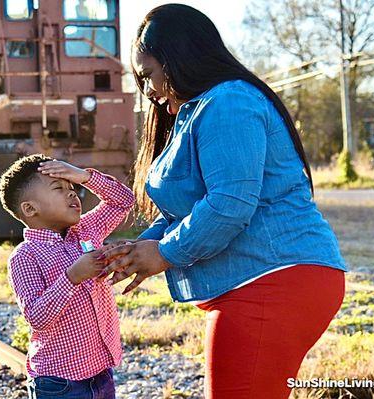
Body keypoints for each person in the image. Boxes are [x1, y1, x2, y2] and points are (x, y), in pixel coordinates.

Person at [100, 4, 348, 399]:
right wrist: (138, 249)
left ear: (177, 58)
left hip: (275, 277)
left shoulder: (230, 103)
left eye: (148, 75)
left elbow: (230, 204)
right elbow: (189, 209)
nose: (147, 91)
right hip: (263, 278)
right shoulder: (198, 112)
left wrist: (164, 254)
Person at [0, 154, 135, 399]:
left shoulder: (86, 229)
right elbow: (37, 318)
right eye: (58, 188)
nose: (72, 193)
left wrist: (84, 176)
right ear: (30, 209)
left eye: (72, 187)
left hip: (100, 371)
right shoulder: (25, 256)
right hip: (60, 382)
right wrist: (72, 277)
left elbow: (124, 201)